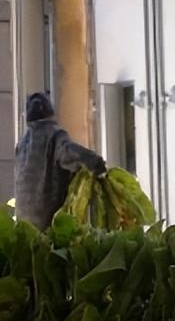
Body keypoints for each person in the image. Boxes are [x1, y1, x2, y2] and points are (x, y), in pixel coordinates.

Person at [14, 92, 106, 228]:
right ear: (50, 112)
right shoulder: (53, 135)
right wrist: (96, 164)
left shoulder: (21, 145)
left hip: (24, 228)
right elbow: (70, 154)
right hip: (49, 225)